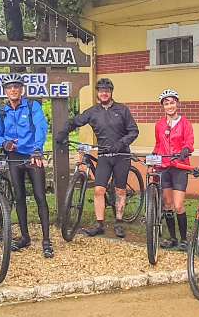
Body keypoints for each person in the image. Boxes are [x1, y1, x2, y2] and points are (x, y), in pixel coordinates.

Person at [54, 77, 139, 238]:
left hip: (121, 155)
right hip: (104, 156)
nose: (104, 93)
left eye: (107, 91)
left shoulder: (122, 110)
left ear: (111, 92)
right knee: (99, 190)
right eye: (101, 91)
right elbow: (75, 121)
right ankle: (100, 224)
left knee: (120, 189)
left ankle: (119, 222)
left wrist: (121, 143)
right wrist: (63, 132)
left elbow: (133, 131)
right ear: (97, 94)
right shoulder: (93, 112)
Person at [0, 73, 54, 258]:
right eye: (10, 87)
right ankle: (25, 237)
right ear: (5, 91)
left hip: (32, 156)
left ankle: (46, 240)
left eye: (17, 86)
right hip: (14, 157)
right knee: (19, 197)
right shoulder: (1, 111)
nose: (13, 89)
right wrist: (4, 143)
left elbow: (41, 127)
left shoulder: (32, 106)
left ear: (22, 90)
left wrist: (37, 149)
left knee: (40, 196)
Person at [153, 89, 194, 251]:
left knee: (178, 205)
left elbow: (189, 142)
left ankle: (184, 239)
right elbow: (158, 144)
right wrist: (153, 157)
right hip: (164, 167)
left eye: (172, 102)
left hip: (179, 167)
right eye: (166, 103)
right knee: (168, 204)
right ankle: (172, 237)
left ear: (177, 103)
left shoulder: (185, 123)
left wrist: (185, 150)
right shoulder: (159, 125)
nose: (169, 106)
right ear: (163, 106)